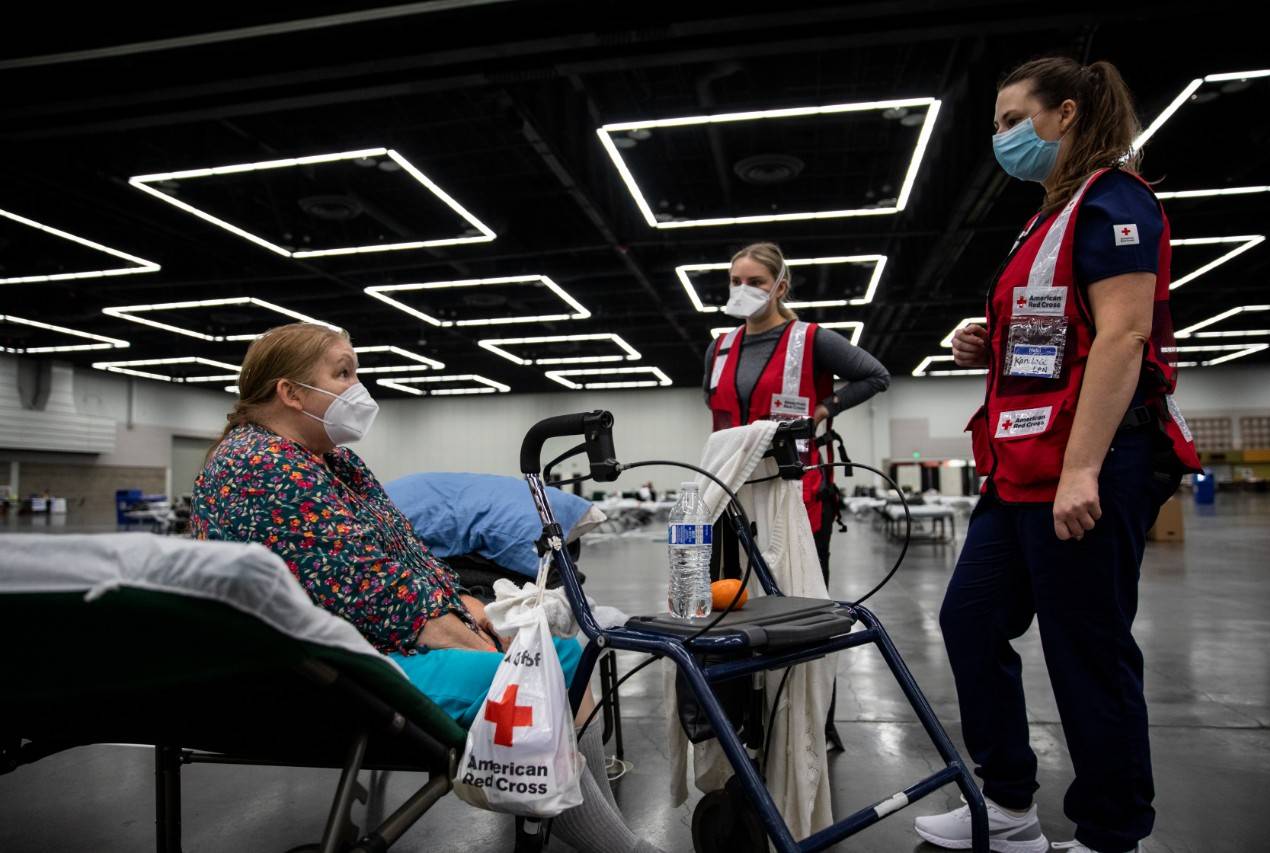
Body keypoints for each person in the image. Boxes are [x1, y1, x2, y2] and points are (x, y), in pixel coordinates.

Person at [191, 322, 664, 853]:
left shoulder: (331, 461)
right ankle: (623, 849)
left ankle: (612, 837)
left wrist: (467, 609)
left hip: (356, 648)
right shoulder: (261, 464)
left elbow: (405, 554)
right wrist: (474, 638)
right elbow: (367, 588)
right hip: (313, 670)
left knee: (560, 656)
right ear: (291, 392)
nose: (357, 387)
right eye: (342, 373)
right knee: (535, 679)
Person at [913, 58, 1200, 853]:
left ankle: (1111, 832)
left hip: (1090, 459)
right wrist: (992, 341)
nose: (1002, 137)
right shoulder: (1049, 218)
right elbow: (1058, 332)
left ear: (1065, 113)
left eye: (1012, 121)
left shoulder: (1114, 199)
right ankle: (1006, 802)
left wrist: (1082, 469)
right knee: (969, 620)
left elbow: (1124, 335)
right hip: (1022, 464)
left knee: (1087, 649)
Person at [703, 242, 891, 583]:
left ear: (780, 288)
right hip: (732, 487)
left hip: (798, 486)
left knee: (801, 593)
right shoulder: (719, 348)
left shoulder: (811, 339)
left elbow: (876, 376)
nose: (743, 290)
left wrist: (825, 408)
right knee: (735, 592)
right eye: (735, 281)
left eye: (756, 282)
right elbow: (714, 402)